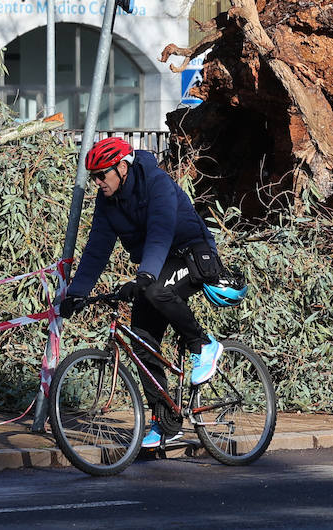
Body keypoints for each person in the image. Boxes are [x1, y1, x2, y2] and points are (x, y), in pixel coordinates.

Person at [57, 136, 226, 450]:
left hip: (192, 254)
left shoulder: (156, 183)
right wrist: (77, 293)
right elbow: (97, 249)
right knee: (141, 342)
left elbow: (161, 232)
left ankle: (203, 344)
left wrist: (145, 276)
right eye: (93, 177)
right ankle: (166, 424)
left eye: (101, 175)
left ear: (122, 168)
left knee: (156, 290)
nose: (97, 182)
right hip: (156, 263)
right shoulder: (107, 202)